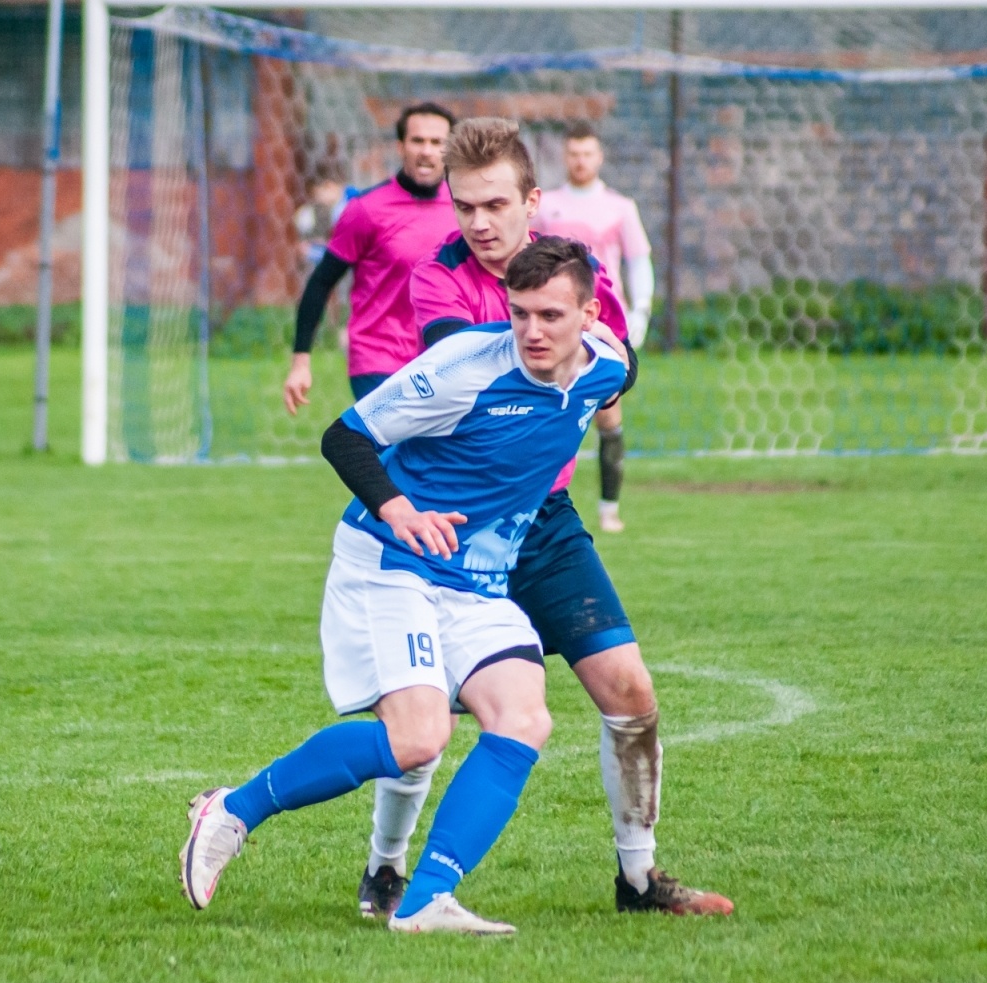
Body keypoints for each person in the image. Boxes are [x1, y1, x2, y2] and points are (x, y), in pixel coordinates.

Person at [182, 239, 633, 935]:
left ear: (590, 315)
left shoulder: (604, 364)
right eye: (519, 314)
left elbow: (624, 371)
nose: (533, 332)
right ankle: (234, 810)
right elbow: (344, 437)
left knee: (524, 719)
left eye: (550, 315)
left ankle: (424, 901)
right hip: (391, 561)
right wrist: (401, 510)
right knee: (417, 741)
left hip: (478, 581)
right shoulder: (463, 368)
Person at [355, 116, 732, 922]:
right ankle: (387, 866)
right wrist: (568, 334)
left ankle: (638, 881)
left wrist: (608, 351)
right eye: (464, 207)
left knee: (630, 690)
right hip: (457, 524)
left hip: (544, 521)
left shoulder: (576, 267)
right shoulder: (440, 279)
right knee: (426, 720)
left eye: (495, 204)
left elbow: (622, 363)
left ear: (534, 200)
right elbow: (485, 372)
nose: (479, 223)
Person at [282, 103, 457, 413]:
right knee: (396, 455)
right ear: (401, 146)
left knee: (434, 460)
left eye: (436, 142)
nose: (427, 151)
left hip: (441, 359)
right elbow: (322, 281)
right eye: (418, 141)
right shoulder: (367, 209)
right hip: (379, 358)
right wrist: (300, 362)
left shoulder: (465, 209)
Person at [538, 121, 655, 534]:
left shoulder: (620, 207)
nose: (580, 160)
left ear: (599, 157)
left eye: (587, 153)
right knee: (549, 406)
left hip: (603, 322)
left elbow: (639, 259)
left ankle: (609, 509)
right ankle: (541, 496)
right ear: (564, 156)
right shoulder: (545, 205)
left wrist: (640, 310)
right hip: (555, 323)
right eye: (573, 153)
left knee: (608, 412)